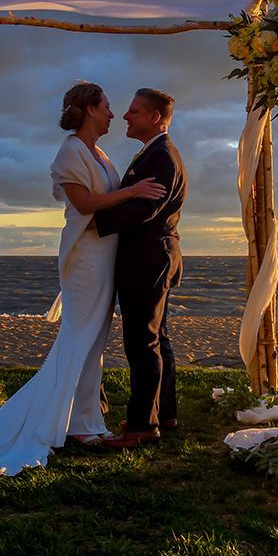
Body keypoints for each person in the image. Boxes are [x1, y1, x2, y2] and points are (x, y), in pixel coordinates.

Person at [0, 82, 163, 474]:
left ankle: (84, 421)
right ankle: (71, 422)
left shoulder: (99, 152)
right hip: (86, 257)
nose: (114, 114)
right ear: (89, 109)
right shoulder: (70, 152)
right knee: (80, 335)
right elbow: (84, 203)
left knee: (94, 341)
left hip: (104, 256)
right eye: (108, 107)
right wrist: (133, 192)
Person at [96, 88, 188, 449]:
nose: (124, 116)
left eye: (133, 111)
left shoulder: (161, 157)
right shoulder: (154, 153)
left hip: (147, 259)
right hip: (155, 257)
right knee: (157, 338)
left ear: (154, 117)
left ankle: (142, 426)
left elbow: (143, 211)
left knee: (142, 341)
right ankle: (163, 412)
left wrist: (92, 218)